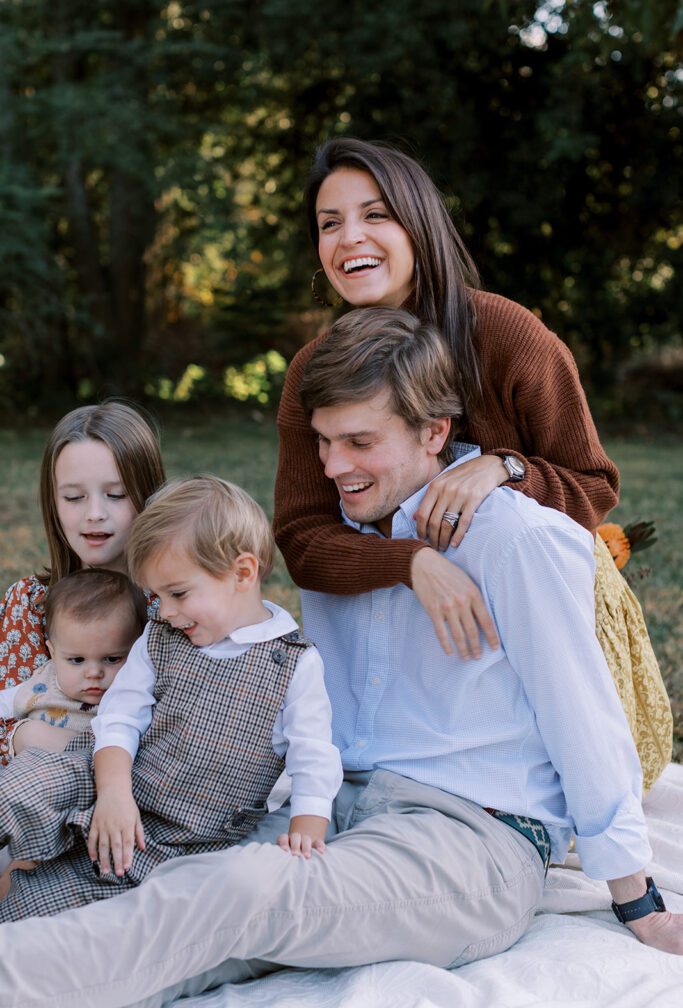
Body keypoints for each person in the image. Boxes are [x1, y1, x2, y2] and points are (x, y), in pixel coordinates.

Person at [0, 310, 679, 1008]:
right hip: (342, 809)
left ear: (435, 432)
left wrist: (636, 897)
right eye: (323, 442)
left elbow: (583, 718)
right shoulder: (336, 541)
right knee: (151, 883)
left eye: (359, 441)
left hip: (468, 840)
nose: (332, 467)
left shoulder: (511, 539)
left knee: (235, 892)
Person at [274, 136, 671, 792]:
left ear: (418, 224)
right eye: (328, 223)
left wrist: (502, 468)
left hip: (536, 633)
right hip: (401, 645)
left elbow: (595, 485)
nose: (349, 238)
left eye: (375, 215)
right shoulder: (312, 371)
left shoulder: (507, 336)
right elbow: (301, 540)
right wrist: (409, 562)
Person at [0, 475, 342, 919]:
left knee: (45, 910)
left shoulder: (294, 664)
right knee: (25, 786)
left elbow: (313, 755)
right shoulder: (161, 637)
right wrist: (115, 794)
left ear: (243, 573)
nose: (167, 610)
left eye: (177, 593)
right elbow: (119, 718)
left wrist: (308, 828)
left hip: (181, 835)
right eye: (158, 596)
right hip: (105, 778)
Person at [0, 401, 166, 765]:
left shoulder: (173, 606)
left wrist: (35, 736)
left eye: (116, 494)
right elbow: (5, 723)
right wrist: (23, 734)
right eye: (74, 497)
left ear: (149, 496)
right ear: (53, 502)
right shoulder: (30, 603)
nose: (94, 513)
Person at [0, 569, 147, 757]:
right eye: (77, 660)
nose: (94, 673)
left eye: (112, 659)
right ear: (53, 653)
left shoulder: (134, 697)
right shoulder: (39, 686)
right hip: (32, 774)